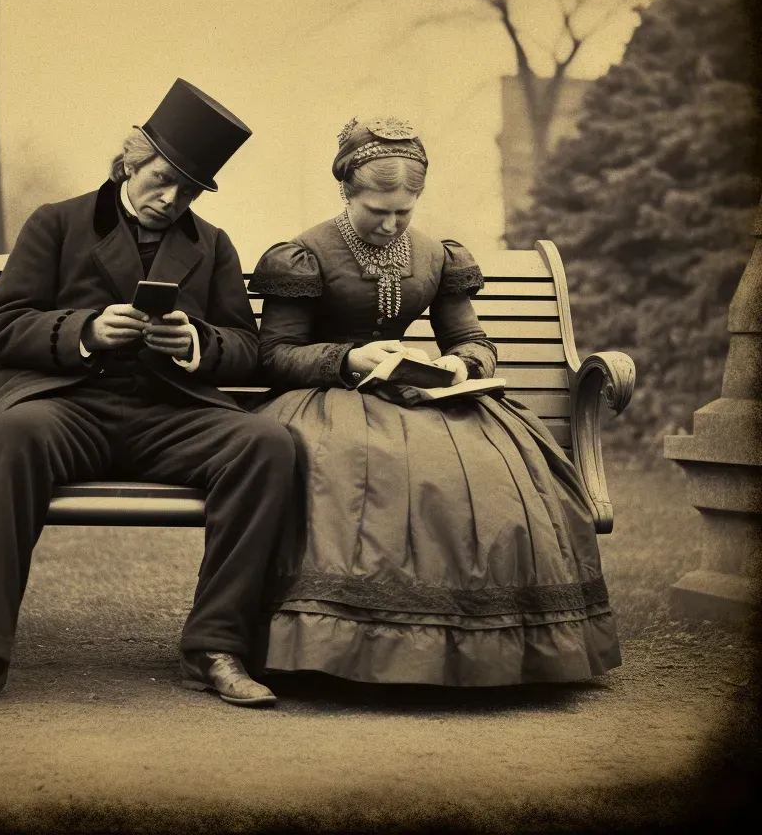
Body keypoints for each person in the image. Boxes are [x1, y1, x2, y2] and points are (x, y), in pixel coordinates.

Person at [0, 79, 296, 710]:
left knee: (267, 444)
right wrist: (84, 331)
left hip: (169, 414)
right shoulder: (58, 223)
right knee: (16, 433)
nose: (170, 200)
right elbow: (2, 324)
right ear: (131, 160)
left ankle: (215, 647)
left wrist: (196, 342)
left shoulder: (213, 245)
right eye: (161, 179)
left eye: (189, 190)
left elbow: (246, 345)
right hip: (68, 406)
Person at [250, 116, 621, 687]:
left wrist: (462, 363)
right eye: (377, 210)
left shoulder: (435, 256)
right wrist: (347, 360)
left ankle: (479, 644)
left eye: (404, 212)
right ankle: (346, 643)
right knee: (370, 465)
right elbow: (272, 356)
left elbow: (472, 339)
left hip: (412, 390)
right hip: (324, 399)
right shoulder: (304, 255)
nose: (392, 224)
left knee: (489, 466)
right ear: (346, 191)